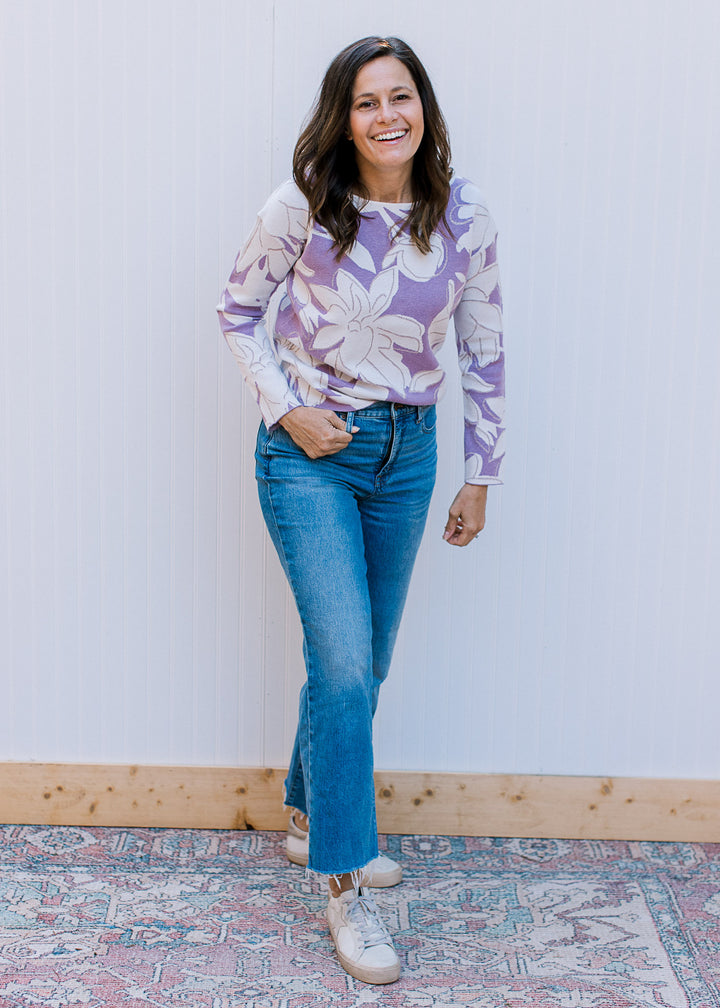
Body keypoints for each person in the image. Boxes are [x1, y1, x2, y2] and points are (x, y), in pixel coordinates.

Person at [217, 35, 504, 985]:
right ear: (344, 118)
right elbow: (235, 311)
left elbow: (485, 349)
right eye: (367, 102)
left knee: (366, 660)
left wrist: (479, 473)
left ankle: (309, 810)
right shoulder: (303, 205)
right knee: (341, 662)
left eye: (402, 97)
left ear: (425, 108)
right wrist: (287, 409)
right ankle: (345, 881)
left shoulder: (462, 216)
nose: (388, 117)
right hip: (309, 457)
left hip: (408, 458)